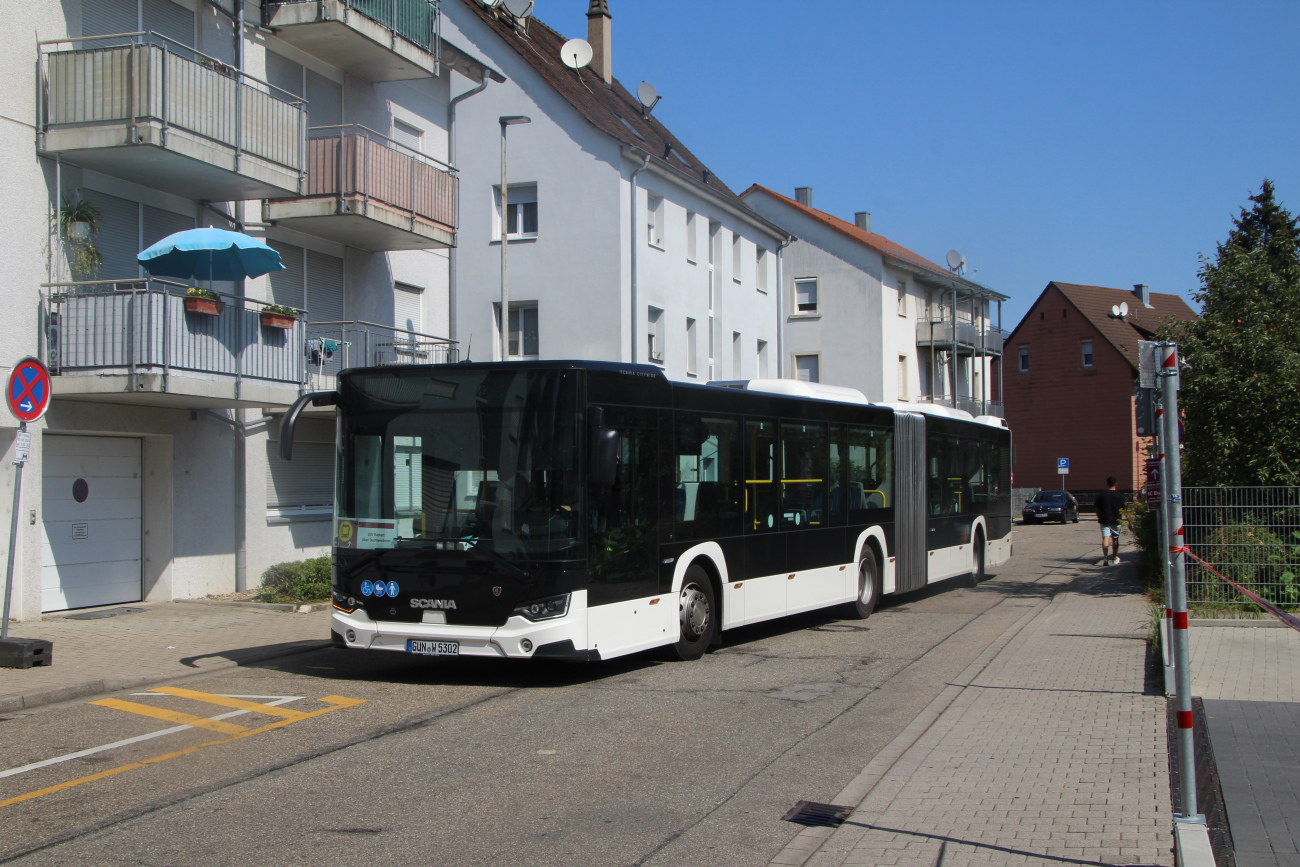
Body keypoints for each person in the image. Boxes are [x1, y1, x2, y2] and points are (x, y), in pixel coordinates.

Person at [1095, 476, 1126, 566]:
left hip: (1104, 519)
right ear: (1116, 483)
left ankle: (1105, 558)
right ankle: (1115, 557)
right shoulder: (1120, 495)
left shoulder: (1101, 495)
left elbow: (1097, 508)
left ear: (1107, 484)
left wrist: (1099, 517)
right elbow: (1124, 508)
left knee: (1105, 538)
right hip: (1116, 520)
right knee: (1115, 539)